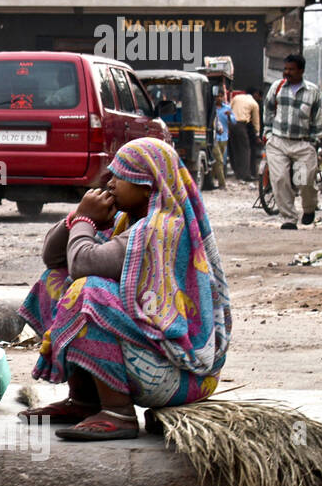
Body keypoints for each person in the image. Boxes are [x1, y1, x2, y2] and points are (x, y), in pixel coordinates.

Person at [18, 138, 231, 441]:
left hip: (178, 374)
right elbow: (55, 258)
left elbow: (83, 264)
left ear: (147, 185)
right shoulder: (125, 219)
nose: (111, 183)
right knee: (53, 281)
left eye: (121, 177)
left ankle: (118, 413)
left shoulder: (159, 229)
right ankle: (84, 401)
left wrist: (84, 220)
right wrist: (76, 217)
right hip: (151, 354)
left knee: (87, 292)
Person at [264, 53, 322, 229]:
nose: (287, 72)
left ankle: (308, 208)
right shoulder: (277, 87)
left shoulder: (312, 91)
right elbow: (267, 110)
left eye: (291, 69)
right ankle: (289, 218)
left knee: (304, 180)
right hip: (278, 142)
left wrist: (313, 141)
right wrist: (268, 133)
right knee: (280, 179)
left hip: (303, 143)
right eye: (286, 69)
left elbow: (317, 119)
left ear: (301, 71)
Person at [229, 87, 261, 182]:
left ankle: (237, 172)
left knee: (235, 149)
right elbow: (256, 121)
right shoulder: (254, 104)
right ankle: (245, 175)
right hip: (241, 125)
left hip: (231, 124)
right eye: (259, 97)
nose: (259, 99)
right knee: (245, 150)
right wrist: (257, 135)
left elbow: (228, 109)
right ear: (256, 94)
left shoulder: (237, 97)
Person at [211, 90, 232, 190]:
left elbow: (234, 121)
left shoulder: (227, 108)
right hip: (214, 139)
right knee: (219, 160)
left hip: (223, 137)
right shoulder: (211, 108)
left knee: (220, 161)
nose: (219, 98)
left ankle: (211, 181)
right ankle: (222, 184)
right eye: (217, 96)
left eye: (220, 96)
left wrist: (229, 116)